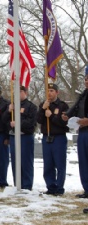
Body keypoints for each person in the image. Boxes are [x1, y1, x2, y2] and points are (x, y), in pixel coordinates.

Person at [2, 86, 37, 190]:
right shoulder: (12, 106)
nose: (17, 94)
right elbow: (3, 120)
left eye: (20, 91)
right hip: (13, 136)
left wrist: (18, 123)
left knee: (26, 162)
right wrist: (8, 111)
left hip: (25, 136)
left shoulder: (31, 106)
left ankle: (27, 185)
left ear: (25, 92)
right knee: (15, 162)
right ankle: (18, 184)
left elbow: (32, 122)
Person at [37, 83, 69, 196]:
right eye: (48, 91)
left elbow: (64, 123)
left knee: (59, 163)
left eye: (52, 90)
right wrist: (43, 109)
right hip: (46, 137)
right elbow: (39, 120)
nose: (49, 93)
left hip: (58, 137)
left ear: (56, 92)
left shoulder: (62, 106)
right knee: (48, 164)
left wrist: (51, 116)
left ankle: (59, 188)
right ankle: (50, 187)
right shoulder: (43, 104)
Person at [62, 65, 88, 199]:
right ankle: (86, 189)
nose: (86, 81)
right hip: (82, 132)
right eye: (85, 79)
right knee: (83, 162)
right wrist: (67, 115)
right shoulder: (83, 95)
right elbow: (75, 107)